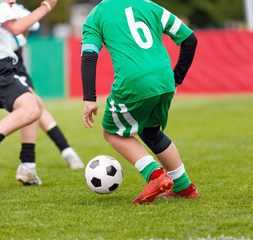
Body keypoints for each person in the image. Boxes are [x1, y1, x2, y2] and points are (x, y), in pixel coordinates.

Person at [81, 0, 199, 204]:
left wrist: (89, 98)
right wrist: (177, 77)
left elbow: (89, 56)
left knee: (110, 131)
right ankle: (184, 187)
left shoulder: (96, 15)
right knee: (150, 130)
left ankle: (154, 175)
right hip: (164, 79)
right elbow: (190, 39)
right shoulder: (149, 5)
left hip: (134, 82)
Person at [0, 0, 84, 170]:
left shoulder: (3, 6)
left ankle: (60, 152)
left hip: (7, 61)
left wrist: (16, 52)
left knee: (33, 105)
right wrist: (46, 6)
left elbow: (22, 29)